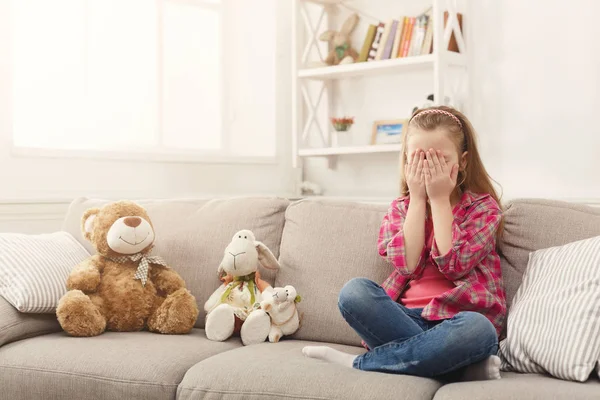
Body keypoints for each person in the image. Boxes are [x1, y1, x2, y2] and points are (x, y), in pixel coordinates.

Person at [303, 106, 506, 381]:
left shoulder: (483, 209)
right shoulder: (401, 208)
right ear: (406, 160)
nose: (427, 169)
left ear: (464, 161)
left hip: (457, 321)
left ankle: (365, 364)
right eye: (419, 159)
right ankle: (457, 367)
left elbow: (454, 265)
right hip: (403, 319)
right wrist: (419, 199)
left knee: (478, 329)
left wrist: (439, 198)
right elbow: (407, 266)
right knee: (354, 293)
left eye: (438, 160)